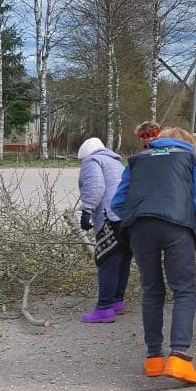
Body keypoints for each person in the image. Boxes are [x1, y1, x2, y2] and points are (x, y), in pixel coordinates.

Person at [110, 127, 196, 385]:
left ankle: (153, 359)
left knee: (152, 291)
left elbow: (116, 203)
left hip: (140, 228)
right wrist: (195, 233)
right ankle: (179, 357)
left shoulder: (137, 160)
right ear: (189, 144)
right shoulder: (192, 161)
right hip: (177, 226)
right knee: (184, 291)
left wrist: (134, 221)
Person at [76, 137, 129, 323]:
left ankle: (104, 308)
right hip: (128, 217)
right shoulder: (116, 162)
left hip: (110, 217)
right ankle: (117, 302)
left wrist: (87, 210)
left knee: (108, 260)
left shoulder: (92, 161)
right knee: (123, 261)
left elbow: (95, 186)